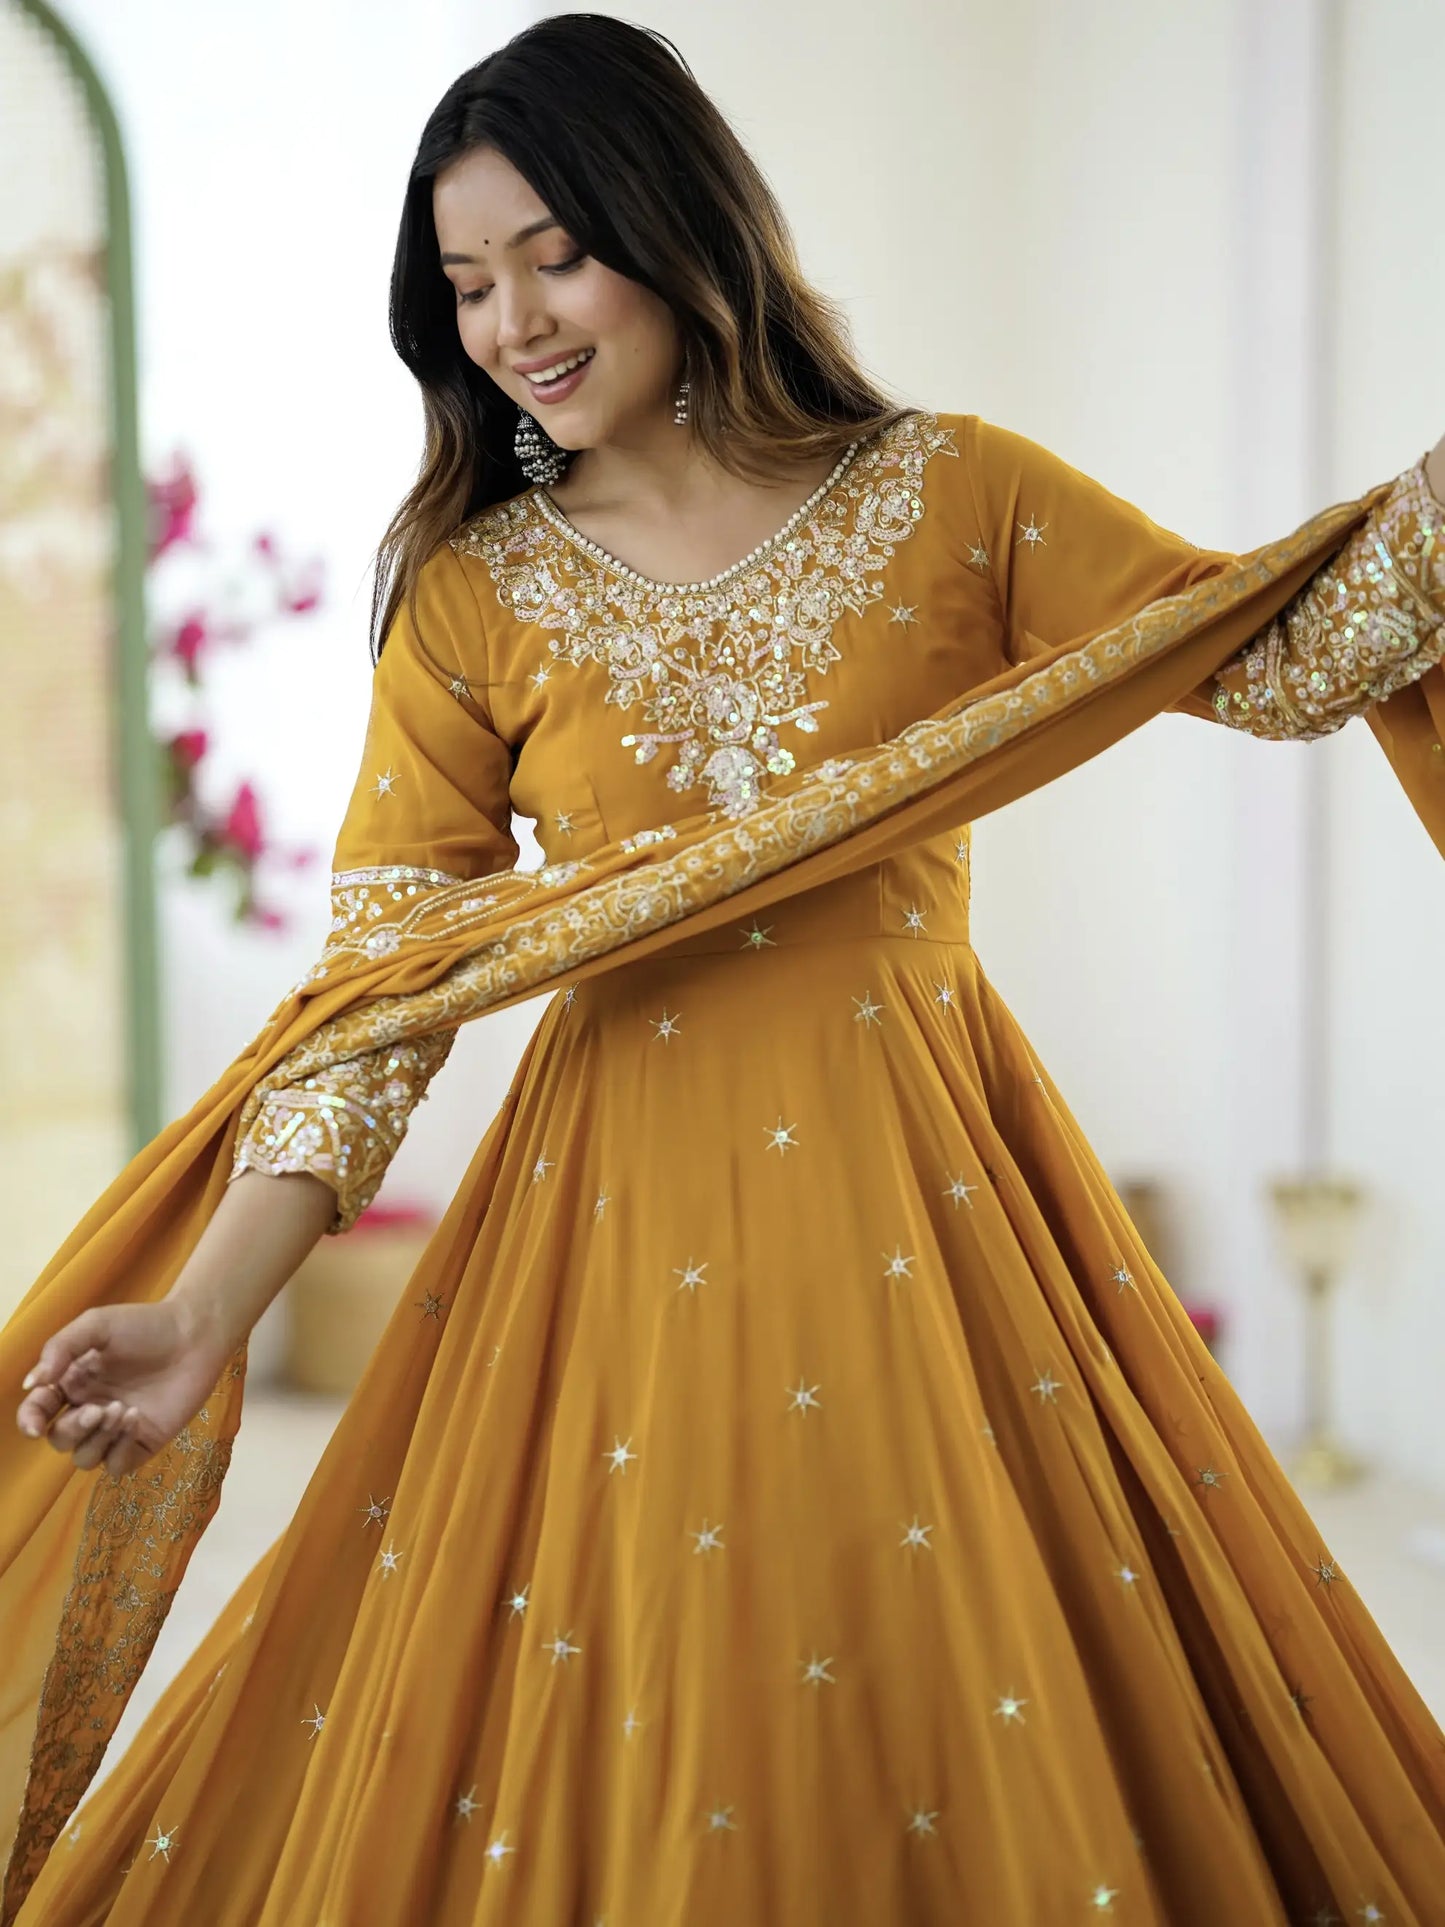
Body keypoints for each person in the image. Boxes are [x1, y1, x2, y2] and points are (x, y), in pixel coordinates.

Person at [4, 13, 1445, 1924]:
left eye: (550, 253)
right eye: (463, 282)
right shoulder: (471, 592)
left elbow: (1272, 659)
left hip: (930, 1194)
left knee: (964, 1661)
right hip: (613, 1215)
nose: (510, 318)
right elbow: (374, 1010)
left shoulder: (954, 492)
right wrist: (208, 1317)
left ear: (675, 224)